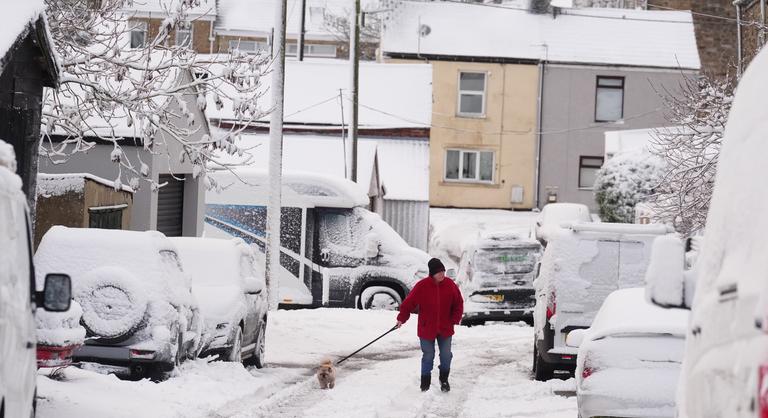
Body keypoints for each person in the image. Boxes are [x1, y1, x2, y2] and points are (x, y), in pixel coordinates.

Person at [396, 258, 464, 392]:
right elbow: (408, 303)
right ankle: (425, 383)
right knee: (428, 355)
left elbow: (458, 303)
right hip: (426, 327)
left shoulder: (450, 285)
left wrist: (454, 319)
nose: (442, 274)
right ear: (432, 273)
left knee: (446, 355)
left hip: (445, 327)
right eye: (438, 272)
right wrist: (401, 319)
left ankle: (444, 380)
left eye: (443, 271)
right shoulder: (422, 286)